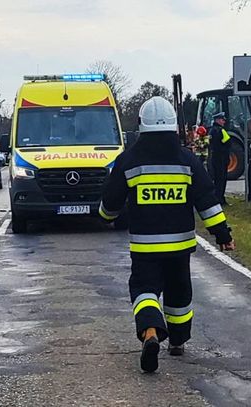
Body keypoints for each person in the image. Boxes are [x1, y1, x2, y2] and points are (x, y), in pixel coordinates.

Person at [99, 97, 235, 373]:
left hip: (145, 247)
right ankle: (178, 341)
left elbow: (111, 199)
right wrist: (222, 234)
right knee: (179, 292)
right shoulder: (187, 160)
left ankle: (150, 334)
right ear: (174, 125)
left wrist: (105, 216)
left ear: (141, 125)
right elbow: (206, 200)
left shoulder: (129, 160)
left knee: (144, 290)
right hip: (180, 245)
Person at [208, 112, 231, 205]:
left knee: (216, 179)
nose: (224, 121)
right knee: (221, 179)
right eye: (222, 119)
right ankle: (221, 199)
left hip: (214, 157)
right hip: (222, 158)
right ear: (217, 120)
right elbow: (228, 143)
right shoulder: (221, 131)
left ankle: (217, 198)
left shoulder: (211, 131)